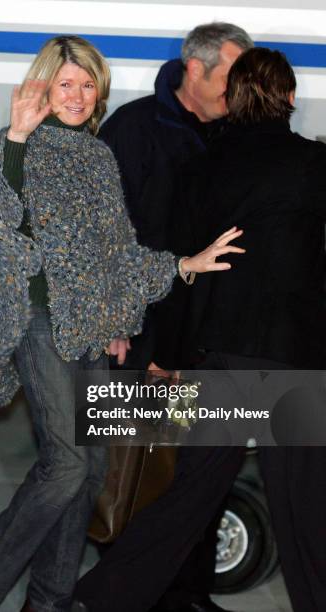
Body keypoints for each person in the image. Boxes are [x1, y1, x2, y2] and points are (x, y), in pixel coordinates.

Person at [0, 36, 243, 612]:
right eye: (67, 83)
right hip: (39, 322)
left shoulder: (96, 156)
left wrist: (185, 264)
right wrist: (14, 138)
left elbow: (116, 253)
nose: (80, 95)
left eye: (89, 84)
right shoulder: (18, 147)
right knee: (65, 465)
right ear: (43, 87)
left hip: (90, 324)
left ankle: (51, 600)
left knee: (88, 476)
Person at [75, 48, 326, 612]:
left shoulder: (199, 167)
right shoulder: (313, 165)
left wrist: (169, 353)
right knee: (306, 507)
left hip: (220, 357)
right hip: (294, 358)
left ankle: (103, 596)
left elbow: (184, 267)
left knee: (189, 494)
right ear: (288, 99)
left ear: (234, 98)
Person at [81, 23, 253, 612]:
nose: (240, 88)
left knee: (195, 468)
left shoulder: (235, 134)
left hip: (203, 341)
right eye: (232, 75)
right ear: (195, 69)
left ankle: (188, 593)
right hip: (144, 335)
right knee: (134, 469)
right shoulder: (133, 131)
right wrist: (127, 326)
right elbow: (104, 239)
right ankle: (127, 593)